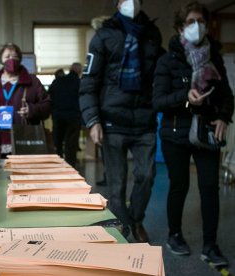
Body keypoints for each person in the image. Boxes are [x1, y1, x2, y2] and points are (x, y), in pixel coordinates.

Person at [153, 1, 233, 266]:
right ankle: (174, 235)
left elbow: (226, 96)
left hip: (207, 130)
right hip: (176, 132)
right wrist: (185, 98)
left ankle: (210, 245)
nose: (197, 26)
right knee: (180, 185)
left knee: (209, 187)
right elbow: (158, 101)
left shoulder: (215, 58)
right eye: (191, 22)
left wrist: (223, 116)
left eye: (201, 21)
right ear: (179, 28)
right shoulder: (167, 59)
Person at [79, 0, 164, 242]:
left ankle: (134, 219)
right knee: (116, 186)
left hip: (144, 121)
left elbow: (162, 71)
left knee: (146, 176)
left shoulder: (152, 34)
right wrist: (93, 120)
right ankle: (125, 230)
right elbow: (88, 83)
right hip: (112, 121)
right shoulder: (104, 36)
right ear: (118, 3)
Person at [0, 43, 51, 157]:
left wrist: (32, 110)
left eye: (14, 57)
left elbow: (48, 104)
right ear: (0, 59)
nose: (11, 60)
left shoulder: (32, 82)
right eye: (7, 57)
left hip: (24, 140)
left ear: (20, 59)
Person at [49, 63, 82, 167]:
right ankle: (70, 166)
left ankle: (58, 165)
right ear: (79, 71)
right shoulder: (79, 83)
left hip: (58, 116)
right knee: (71, 144)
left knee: (57, 142)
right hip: (73, 117)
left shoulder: (57, 81)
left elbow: (49, 97)